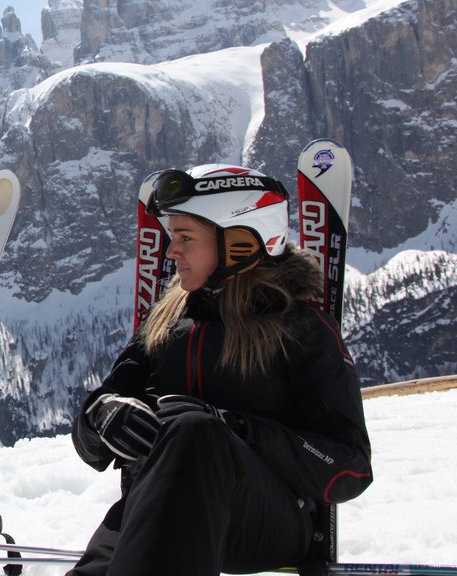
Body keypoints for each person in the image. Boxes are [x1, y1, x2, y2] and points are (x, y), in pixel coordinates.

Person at [68, 164, 373, 576]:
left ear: (241, 242)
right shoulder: (167, 322)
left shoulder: (299, 329)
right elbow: (92, 439)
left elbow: (349, 468)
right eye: (172, 236)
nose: (170, 251)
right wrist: (102, 416)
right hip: (158, 504)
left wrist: (236, 428)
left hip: (267, 521)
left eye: (185, 237)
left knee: (195, 432)